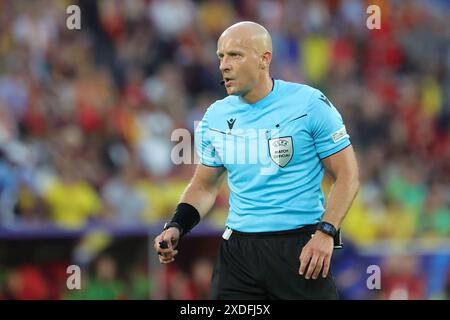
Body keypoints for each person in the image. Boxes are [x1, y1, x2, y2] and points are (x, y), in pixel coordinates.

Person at [154, 21, 359, 300]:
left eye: (235, 55)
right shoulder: (215, 116)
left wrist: (326, 233)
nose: (224, 65)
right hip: (238, 252)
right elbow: (204, 186)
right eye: (221, 57)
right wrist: (177, 225)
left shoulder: (309, 104)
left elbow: (347, 176)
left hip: (300, 249)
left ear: (265, 59)